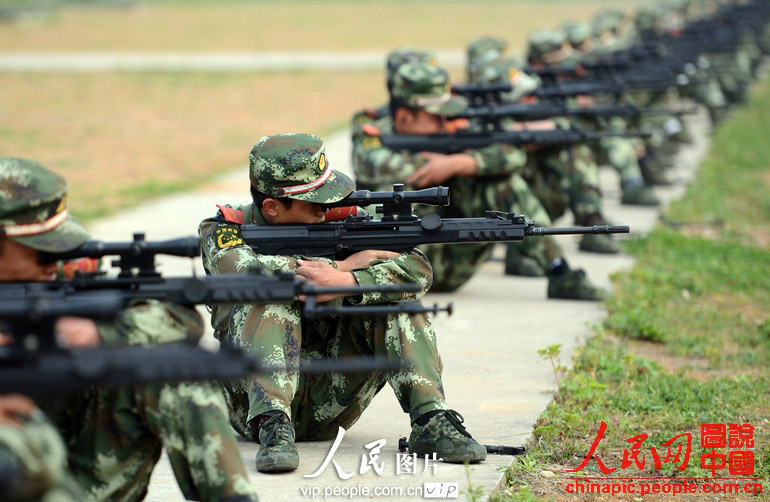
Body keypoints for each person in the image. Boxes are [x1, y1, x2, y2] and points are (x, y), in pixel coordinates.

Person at [199, 133, 487, 473]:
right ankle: (274, 424)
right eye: (314, 204)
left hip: (337, 396)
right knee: (270, 295)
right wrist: (343, 267)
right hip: (249, 404)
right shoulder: (225, 229)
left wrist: (348, 283)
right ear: (272, 207)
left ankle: (430, 419)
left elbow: (418, 270)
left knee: (399, 302)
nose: (326, 211)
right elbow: (242, 269)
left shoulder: (349, 219)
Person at [0, 157, 258, 502]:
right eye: (42, 252)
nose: (54, 261)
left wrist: (98, 335)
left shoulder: (56, 275)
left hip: (72, 478)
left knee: (170, 370)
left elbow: (175, 318)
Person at [352, 62, 605, 299]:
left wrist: (461, 163)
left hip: (452, 256)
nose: (446, 123)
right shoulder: (370, 131)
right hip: (395, 269)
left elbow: (512, 152)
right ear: (404, 117)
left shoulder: (453, 129)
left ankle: (559, 271)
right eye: (436, 116)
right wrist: (438, 165)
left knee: (500, 183)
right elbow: (375, 163)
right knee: (394, 194)